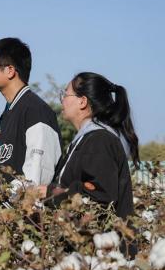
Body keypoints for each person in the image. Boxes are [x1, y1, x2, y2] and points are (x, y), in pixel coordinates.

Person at [38, 73, 136, 218]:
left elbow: (100, 197)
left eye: (65, 94)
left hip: (101, 233)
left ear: (82, 101)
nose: (62, 100)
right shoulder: (87, 140)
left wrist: (52, 193)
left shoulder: (100, 140)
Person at [0, 38, 61, 204]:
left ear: (10, 70)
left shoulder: (36, 111)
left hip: (17, 216)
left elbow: (36, 176)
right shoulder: (9, 111)